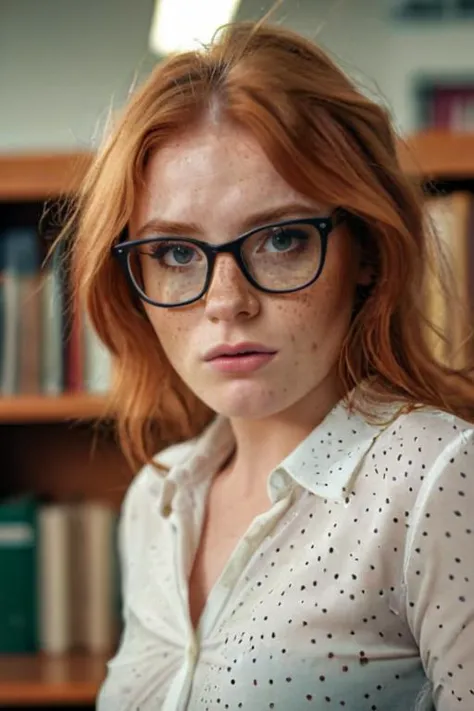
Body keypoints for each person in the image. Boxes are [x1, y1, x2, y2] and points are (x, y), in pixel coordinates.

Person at [65, 19, 474, 711]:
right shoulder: (154, 501)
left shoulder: (439, 478)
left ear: (367, 250)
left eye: (282, 238)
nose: (228, 302)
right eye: (174, 252)